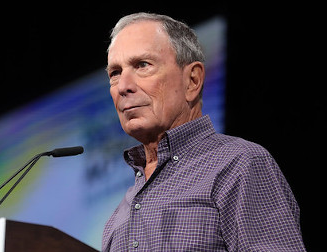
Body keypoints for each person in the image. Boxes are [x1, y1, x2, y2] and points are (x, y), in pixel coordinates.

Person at [101, 12, 305, 251]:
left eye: (142, 65)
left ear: (192, 81)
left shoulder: (238, 163)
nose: (123, 86)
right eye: (115, 73)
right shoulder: (118, 217)